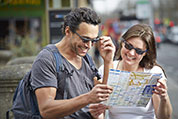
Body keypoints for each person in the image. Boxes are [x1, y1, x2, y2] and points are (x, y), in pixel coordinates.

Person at [31, 7, 114, 119]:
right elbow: (46, 110)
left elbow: (102, 95)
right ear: (68, 31)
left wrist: (108, 61)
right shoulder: (47, 59)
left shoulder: (86, 59)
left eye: (93, 41)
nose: (89, 46)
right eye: (85, 39)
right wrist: (87, 98)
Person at [90, 24, 173, 119]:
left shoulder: (153, 73)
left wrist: (164, 97)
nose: (131, 53)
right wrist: (96, 113)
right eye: (128, 46)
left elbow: (164, 117)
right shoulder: (106, 68)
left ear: (145, 53)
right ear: (122, 42)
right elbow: (100, 114)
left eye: (138, 51)